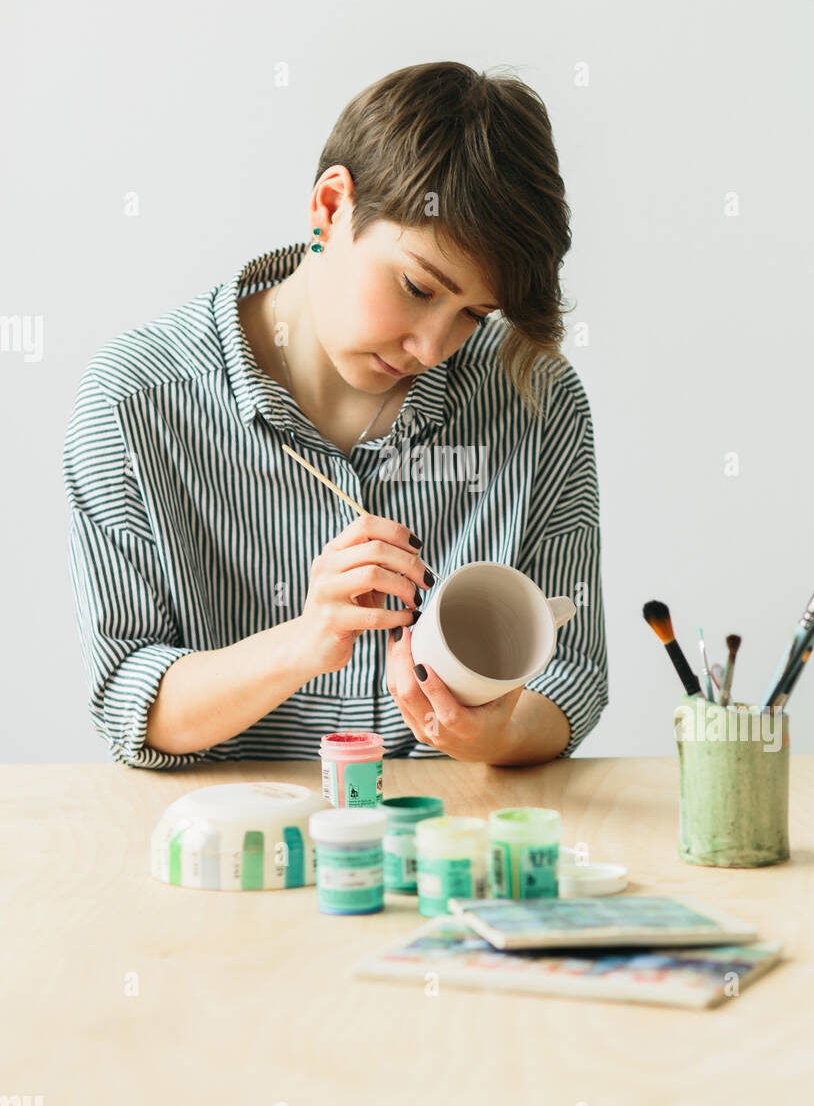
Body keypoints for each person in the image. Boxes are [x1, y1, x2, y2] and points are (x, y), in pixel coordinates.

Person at [62, 61, 608, 770]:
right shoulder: (135, 404)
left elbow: (573, 677)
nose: (431, 346)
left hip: (451, 853)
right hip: (234, 852)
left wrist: (497, 736)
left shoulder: (533, 397)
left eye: (473, 314)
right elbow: (125, 696)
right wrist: (304, 641)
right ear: (329, 208)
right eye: (416, 287)